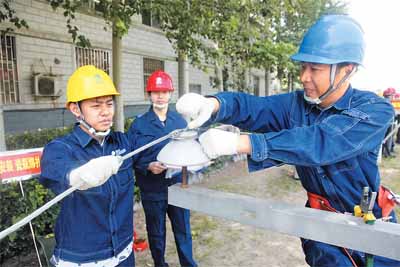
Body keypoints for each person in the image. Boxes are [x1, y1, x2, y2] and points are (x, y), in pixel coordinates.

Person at [176, 14, 400, 267]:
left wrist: (242, 143)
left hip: (372, 227)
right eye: (303, 67)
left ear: (347, 70)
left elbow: (323, 141)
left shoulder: (375, 109)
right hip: (322, 233)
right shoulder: (295, 105)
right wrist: (214, 104)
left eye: (314, 69)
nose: (304, 76)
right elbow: (254, 108)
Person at [39, 65, 135, 267]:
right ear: (75, 109)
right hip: (82, 259)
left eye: (109, 104)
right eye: (96, 105)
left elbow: (153, 155)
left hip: (124, 254)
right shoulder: (61, 149)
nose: (106, 112)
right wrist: (79, 176)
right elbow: (58, 170)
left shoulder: (122, 143)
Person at [127, 70, 197, 267]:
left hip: (177, 185)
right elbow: (131, 157)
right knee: (156, 233)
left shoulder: (180, 122)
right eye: (155, 92)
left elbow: (190, 149)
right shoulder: (138, 125)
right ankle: (160, 264)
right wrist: (148, 165)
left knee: (183, 230)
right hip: (153, 190)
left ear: (170, 94)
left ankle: (188, 263)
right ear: (148, 94)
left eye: (164, 92)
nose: (160, 96)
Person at [382, 88, 396, 157]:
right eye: (392, 95)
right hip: (388, 123)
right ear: (390, 95)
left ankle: (384, 152)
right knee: (388, 138)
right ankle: (387, 153)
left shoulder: (383, 101)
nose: (393, 97)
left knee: (384, 138)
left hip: (384, 123)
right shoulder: (388, 103)